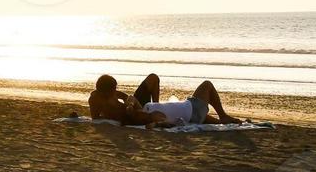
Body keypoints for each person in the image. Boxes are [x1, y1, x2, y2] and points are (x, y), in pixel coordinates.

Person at [89, 73, 243, 127]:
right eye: (115, 89)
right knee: (207, 85)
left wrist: (130, 102)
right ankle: (222, 115)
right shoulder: (130, 111)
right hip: (190, 110)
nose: (117, 91)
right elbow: (153, 118)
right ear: (109, 90)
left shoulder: (102, 97)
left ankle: (225, 121)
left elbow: (96, 116)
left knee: (217, 124)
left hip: (188, 114)